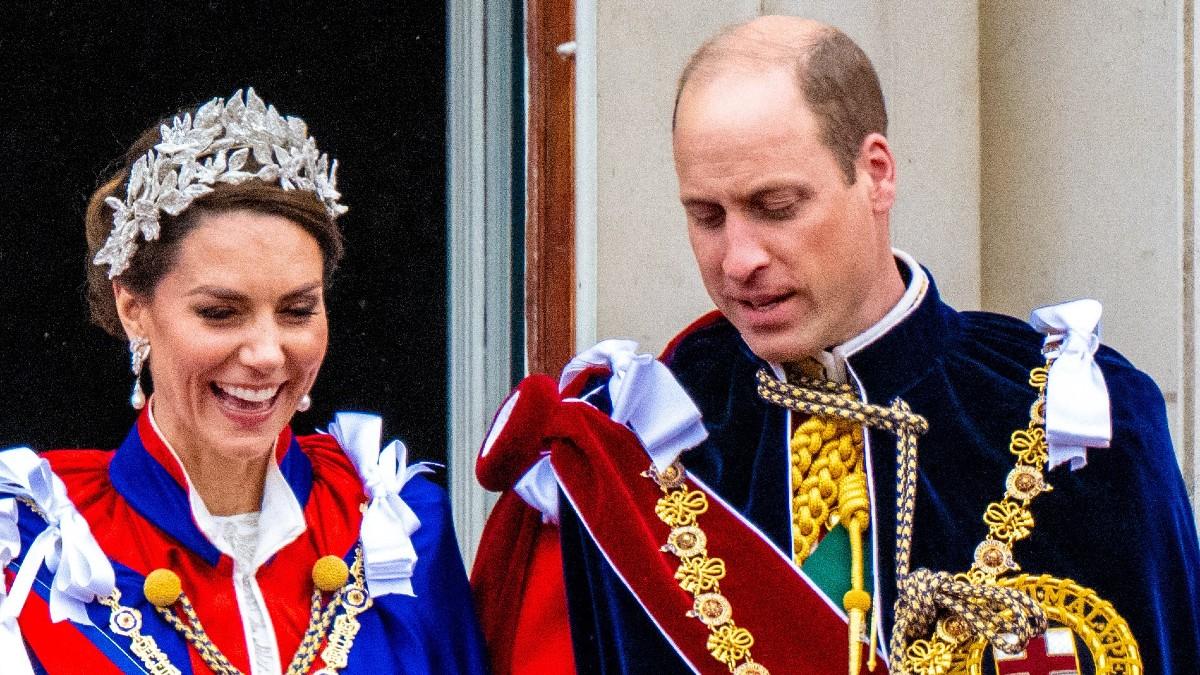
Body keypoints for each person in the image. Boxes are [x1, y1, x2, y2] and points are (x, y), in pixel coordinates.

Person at [471, 16, 1200, 675]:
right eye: (707, 216)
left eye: (775, 207)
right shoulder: (627, 442)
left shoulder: (1081, 421)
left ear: (875, 173)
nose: (738, 258)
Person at [0, 89, 487, 674]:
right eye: (220, 313)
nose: (265, 354)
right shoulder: (34, 550)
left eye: (297, 311)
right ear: (134, 308)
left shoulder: (398, 527)